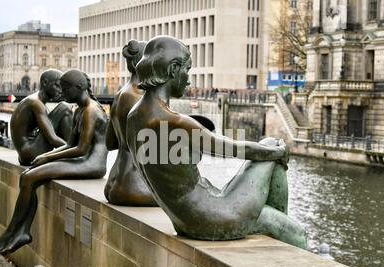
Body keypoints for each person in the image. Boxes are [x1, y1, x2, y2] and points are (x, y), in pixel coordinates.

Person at [126, 36, 307, 249]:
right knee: (297, 231)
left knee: (269, 150)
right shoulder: (174, 121)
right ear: (173, 70)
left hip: (184, 221)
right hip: (213, 218)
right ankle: (279, 234)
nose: (188, 79)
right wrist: (280, 151)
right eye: (187, 70)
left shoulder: (133, 117)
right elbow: (233, 149)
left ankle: (272, 223)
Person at [0, 70, 108, 254]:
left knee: (30, 178)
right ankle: (19, 231)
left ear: (78, 88)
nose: (63, 92)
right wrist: (47, 157)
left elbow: (81, 149)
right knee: (28, 176)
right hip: (83, 159)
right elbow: (70, 144)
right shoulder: (81, 110)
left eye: (66, 88)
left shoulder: (90, 111)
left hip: (92, 163)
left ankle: (14, 232)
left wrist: (48, 157)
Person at [104, 40, 158, 206]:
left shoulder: (120, 94)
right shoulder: (140, 97)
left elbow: (110, 143)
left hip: (114, 181)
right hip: (134, 186)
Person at [10, 69, 73, 166]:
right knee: (65, 108)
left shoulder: (34, 100)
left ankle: (72, 149)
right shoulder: (37, 104)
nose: (60, 91)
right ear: (45, 83)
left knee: (61, 113)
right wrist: (74, 151)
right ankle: (73, 154)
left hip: (24, 155)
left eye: (61, 87)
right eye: (57, 85)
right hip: (31, 153)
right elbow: (52, 138)